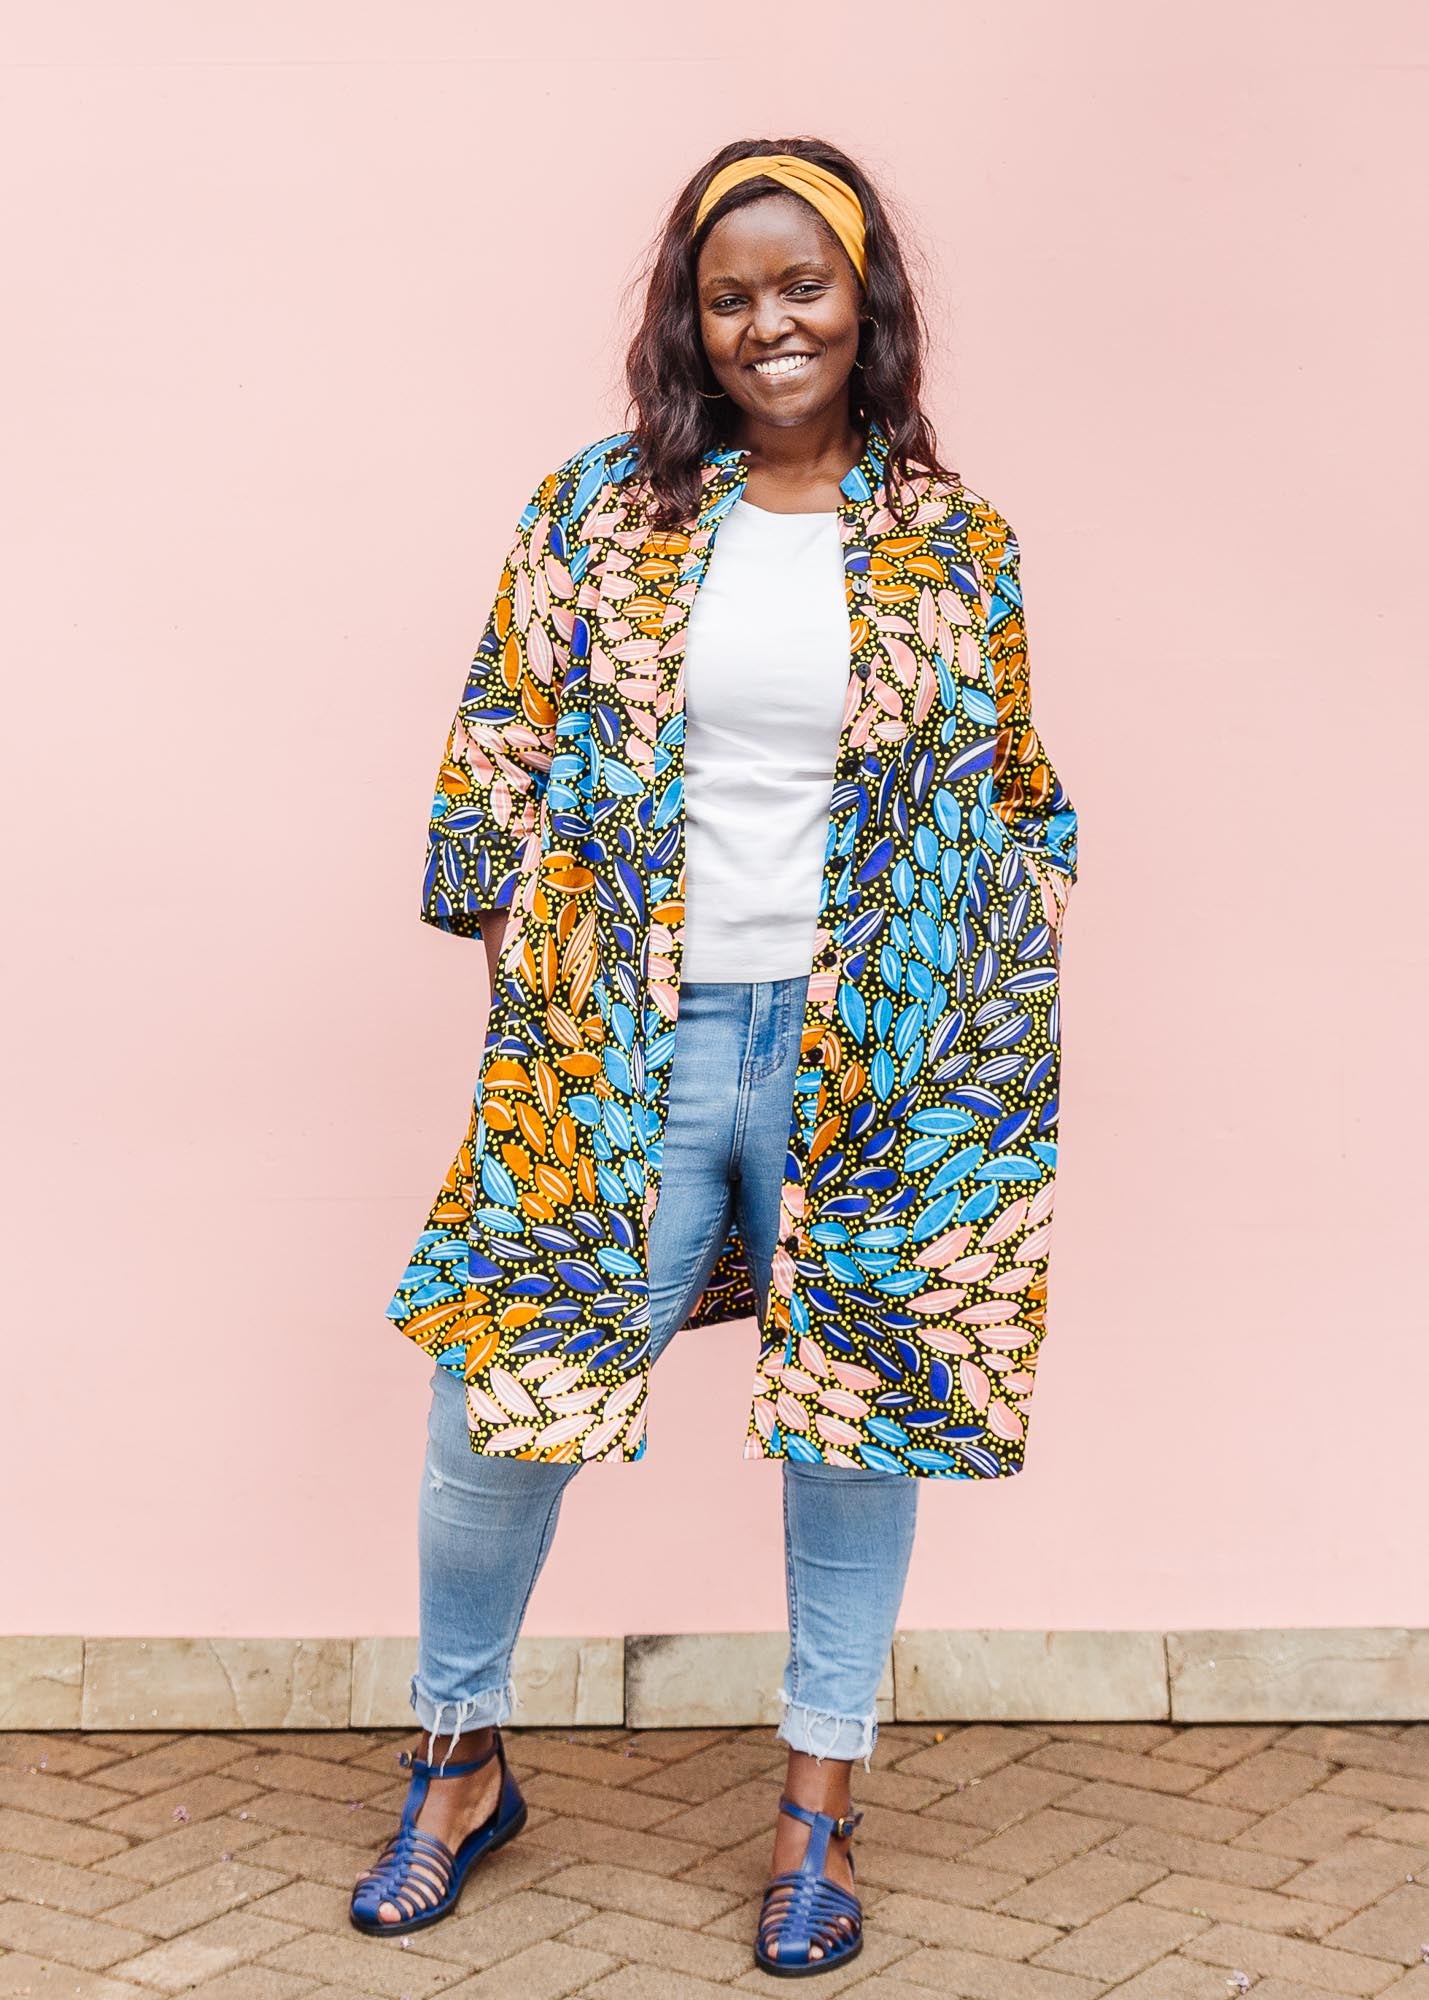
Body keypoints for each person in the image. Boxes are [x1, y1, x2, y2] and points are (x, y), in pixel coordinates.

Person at [352, 138, 1079, 1974]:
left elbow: (1006, 787)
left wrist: (1015, 934)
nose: (768, 322)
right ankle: (457, 1764)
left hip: (880, 1053)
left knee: (855, 1427)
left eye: (801, 286)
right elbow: (493, 755)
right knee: (497, 1399)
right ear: (690, 319)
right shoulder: (591, 512)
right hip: (635, 1040)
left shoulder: (950, 542)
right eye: (728, 292)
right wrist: (538, 981)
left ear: (863, 302)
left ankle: (817, 1816)